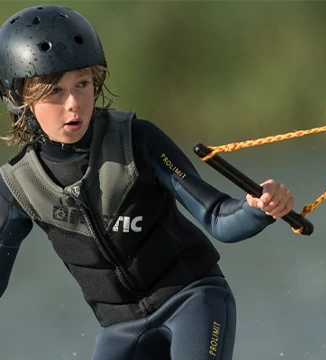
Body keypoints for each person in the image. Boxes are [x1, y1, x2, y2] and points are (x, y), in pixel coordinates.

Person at [0, 4, 295, 360]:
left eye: (82, 84)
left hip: (193, 300)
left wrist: (258, 207)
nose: (74, 103)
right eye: (55, 92)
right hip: (120, 331)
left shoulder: (136, 140)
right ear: (20, 100)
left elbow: (218, 217)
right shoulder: (17, 186)